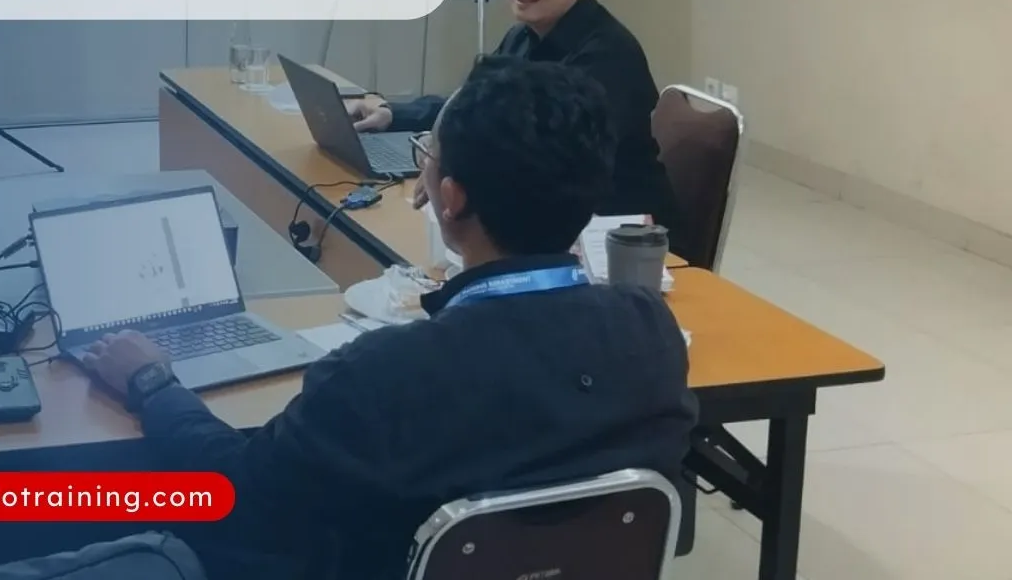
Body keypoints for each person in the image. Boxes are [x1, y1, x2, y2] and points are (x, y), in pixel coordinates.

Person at [79, 58, 698, 580]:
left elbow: (237, 496)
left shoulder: (387, 374)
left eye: (428, 154)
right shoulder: (651, 334)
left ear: (450, 199)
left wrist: (154, 384)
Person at [348, 0, 680, 232]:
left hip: (619, 238)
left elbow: (540, 159)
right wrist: (393, 114)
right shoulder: (523, 35)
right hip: (542, 220)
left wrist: (444, 158)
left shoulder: (609, 56)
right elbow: (473, 106)